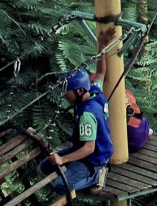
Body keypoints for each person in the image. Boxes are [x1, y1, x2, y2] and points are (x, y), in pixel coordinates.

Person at [40, 30, 115, 196]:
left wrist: (63, 159)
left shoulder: (87, 115)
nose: (65, 94)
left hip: (94, 158)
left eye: (68, 91)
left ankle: (97, 175)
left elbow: (89, 148)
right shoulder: (95, 91)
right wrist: (102, 44)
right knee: (45, 166)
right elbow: (101, 72)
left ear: (80, 91)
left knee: (60, 186)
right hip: (84, 150)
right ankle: (75, 172)